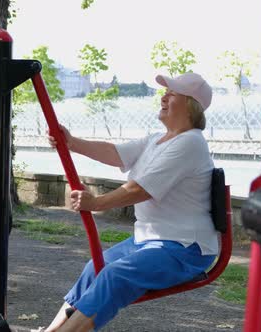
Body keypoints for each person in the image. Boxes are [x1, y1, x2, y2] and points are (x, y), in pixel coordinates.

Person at [44, 73, 218, 331]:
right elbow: (115, 153)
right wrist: (71, 143)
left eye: (171, 93)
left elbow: (140, 188)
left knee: (116, 276)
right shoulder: (155, 140)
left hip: (185, 248)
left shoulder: (190, 142)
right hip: (148, 241)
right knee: (95, 267)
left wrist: (97, 202)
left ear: (189, 103)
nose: (163, 97)